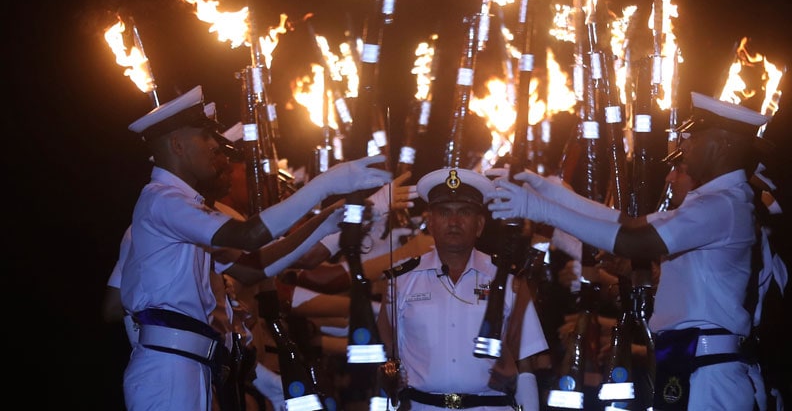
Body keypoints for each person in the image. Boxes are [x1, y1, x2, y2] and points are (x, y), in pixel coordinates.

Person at [488, 92, 775, 410]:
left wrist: (539, 208)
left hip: (708, 371)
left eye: (695, 136)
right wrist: (550, 191)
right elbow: (628, 223)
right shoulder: (716, 200)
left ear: (723, 144)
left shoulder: (723, 204)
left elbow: (632, 241)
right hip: (689, 363)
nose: (686, 144)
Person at [120, 85, 393, 411]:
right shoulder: (163, 200)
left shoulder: (181, 205)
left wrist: (324, 223)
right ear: (177, 145)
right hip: (170, 366)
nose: (213, 147)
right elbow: (249, 236)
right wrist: (326, 184)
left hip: (192, 362)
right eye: (205, 137)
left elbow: (255, 266)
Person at [377, 167, 549, 411]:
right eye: (445, 212)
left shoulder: (509, 281)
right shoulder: (401, 281)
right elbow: (385, 358)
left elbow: (526, 364)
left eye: (464, 212)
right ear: (431, 222)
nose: (454, 222)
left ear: (479, 225)